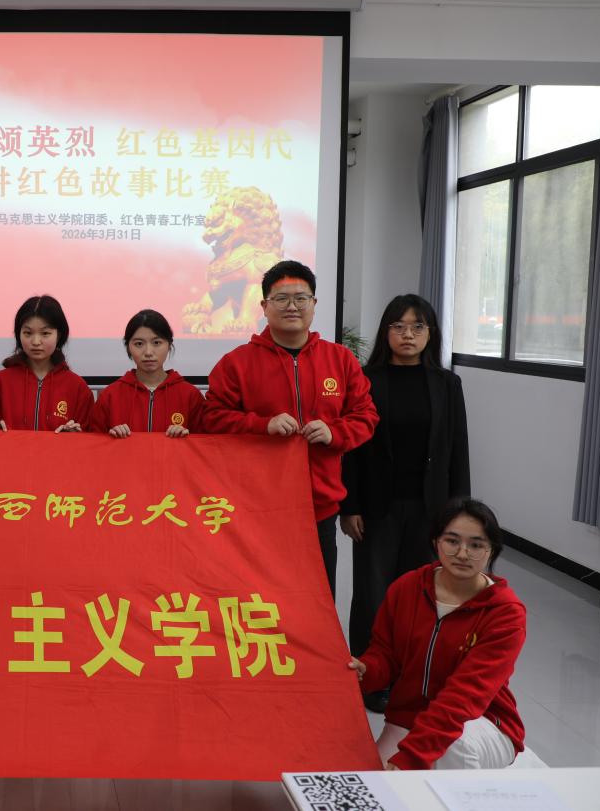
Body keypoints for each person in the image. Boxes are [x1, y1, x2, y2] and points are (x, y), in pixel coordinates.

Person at [202, 260, 378, 598]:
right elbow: (212, 418)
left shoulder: (340, 360)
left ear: (314, 304)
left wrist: (335, 433)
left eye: (301, 298)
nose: (292, 306)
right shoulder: (237, 363)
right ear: (264, 306)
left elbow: (366, 415)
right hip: (256, 506)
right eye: (281, 298)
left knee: (317, 599)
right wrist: (261, 425)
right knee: (259, 600)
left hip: (319, 507)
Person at [341, 294, 470, 712]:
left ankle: (411, 678)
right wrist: (350, 505)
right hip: (377, 507)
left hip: (431, 509)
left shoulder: (447, 384)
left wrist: (459, 514)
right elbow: (352, 448)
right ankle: (370, 678)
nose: (407, 335)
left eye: (417, 326)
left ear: (430, 333)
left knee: (420, 597)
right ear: (386, 333)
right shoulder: (365, 379)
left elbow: (458, 449)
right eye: (398, 326)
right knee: (373, 596)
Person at [348, 498, 526, 771]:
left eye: (476, 545)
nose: (463, 553)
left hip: (482, 723)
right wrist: (366, 669)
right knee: (372, 784)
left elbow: (465, 696)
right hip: (409, 721)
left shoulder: (505, 613)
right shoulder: (407, 588)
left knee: (454, 748)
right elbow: (385, 654)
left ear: (491, 550)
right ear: (435, 542)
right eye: (452, 541)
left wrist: (412, 757)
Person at [0, 295, 93, 432]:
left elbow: (90, 437)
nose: (36, 342)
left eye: (45, 333)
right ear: (18, 334)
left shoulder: (78, 388)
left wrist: (74, 436)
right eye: (28, 333)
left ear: (59, 335)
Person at [91, 309, 204, 438]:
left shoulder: (191, 396)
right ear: (128, 347)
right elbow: (94, 443)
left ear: (169, 345)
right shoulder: (110, 396)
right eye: (139, 344)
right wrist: (112, 438)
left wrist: (185, 439)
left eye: (157, 343)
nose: (148, 352)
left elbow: (204, 444)